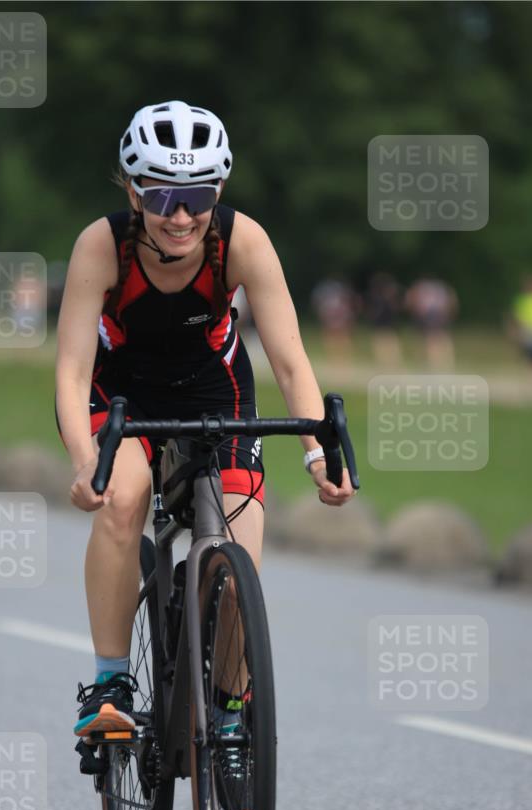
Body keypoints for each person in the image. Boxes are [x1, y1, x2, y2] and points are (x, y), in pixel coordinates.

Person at [54, 100, 356, 751]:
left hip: (214, 387)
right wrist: (85, 462)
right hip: (122, 391)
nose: (181, 216)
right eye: (162, 197)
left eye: (196, 196)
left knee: (240, 552)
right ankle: (109, 685)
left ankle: (229, 712)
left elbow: (290, 360)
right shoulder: (101, 246)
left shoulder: (243, 240)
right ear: (134, 193)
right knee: (124, 497)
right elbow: (73, 372)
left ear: (217, 191)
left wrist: (317, 454)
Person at [405, 275, 458, 370]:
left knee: (431, 339)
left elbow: (410, 299)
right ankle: (448, 361)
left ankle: (435, 363)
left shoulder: (421, 286)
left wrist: (415, 311)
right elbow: (452, 300)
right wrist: (450, 313)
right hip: (441, 313)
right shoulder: (442, 287)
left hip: (429, 314)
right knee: (442, 337)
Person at [310, 277, 359, 362]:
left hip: (338, 315)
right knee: (333, 335)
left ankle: (341, 357)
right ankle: (336, 357)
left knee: (341, 335)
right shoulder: (331, 291)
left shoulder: (326, 291)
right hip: (332, 315)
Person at [364, 272, 402, 369]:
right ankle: (384, 362)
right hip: (381, 322)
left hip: (387, 322)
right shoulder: (376, 297)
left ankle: (392, 362)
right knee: (381, 341)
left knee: (388, 341)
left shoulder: (387, 298)